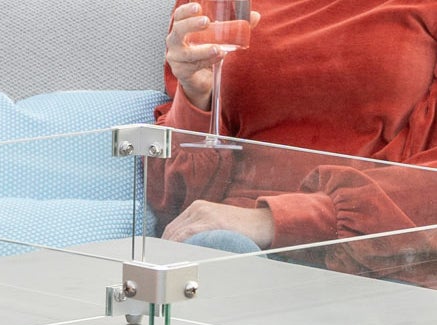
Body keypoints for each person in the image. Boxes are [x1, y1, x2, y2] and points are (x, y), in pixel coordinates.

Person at [152, 0, 437, 278]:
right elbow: (176, 205)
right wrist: (197, 99)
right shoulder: (219, 7)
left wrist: (274, 220)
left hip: (374, 257)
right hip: (236, 250)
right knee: (214, 255)